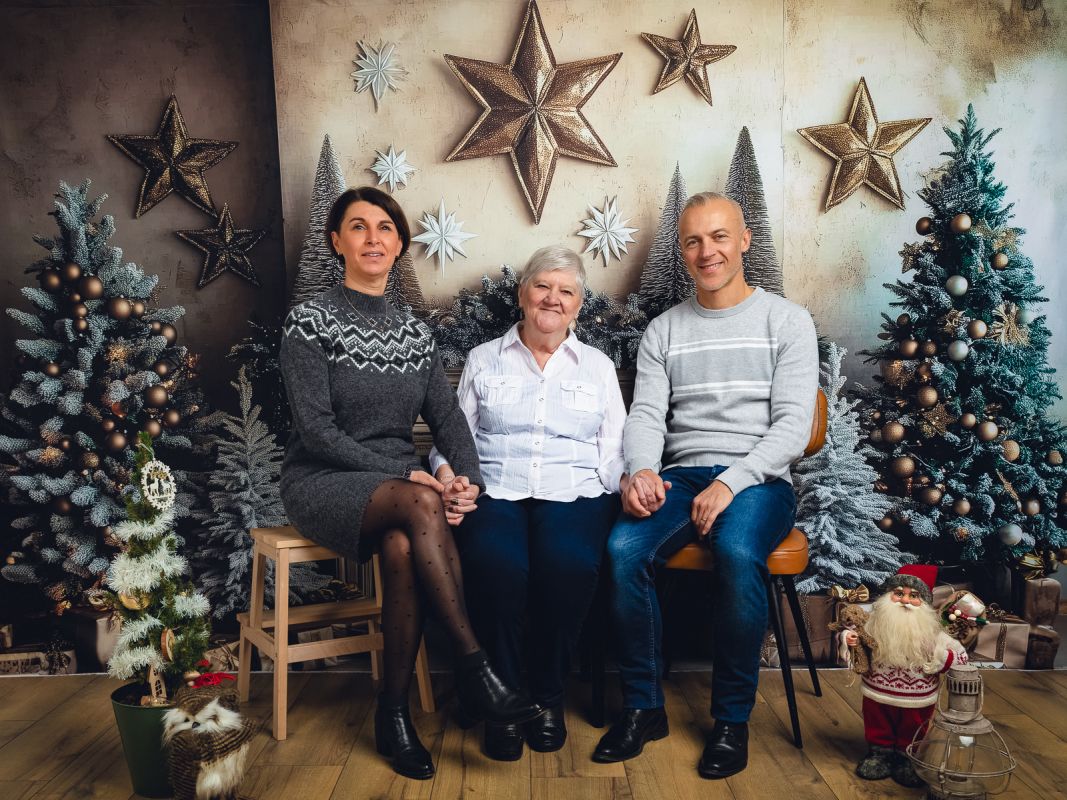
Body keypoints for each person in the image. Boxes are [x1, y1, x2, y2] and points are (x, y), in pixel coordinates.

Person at [279, 186, 541, 780]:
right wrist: (405, 473)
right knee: (421, 500)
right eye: (359, 227)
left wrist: (468, 481)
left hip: (400, 495)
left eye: (385, 228)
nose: (373, 238)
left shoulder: (415, 332)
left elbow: (447, 419)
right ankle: (476, 668)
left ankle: (392, 715)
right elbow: (316, 432)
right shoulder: (310, 321)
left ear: (399, 245)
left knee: (402, 544)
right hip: (323, 478)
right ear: (337, 242)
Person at [593, 192, 819, 779]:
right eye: (693, 240)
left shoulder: (787, 321)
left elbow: (792, 428)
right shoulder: (664, 330)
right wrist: (643, 470)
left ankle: (730, 720)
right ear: (682, 250)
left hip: (759, 477)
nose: (707, 251)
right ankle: (643, 708)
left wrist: (732, 482)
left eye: (719, 236)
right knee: (622, 549)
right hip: (681, 473)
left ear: (743, 241)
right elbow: (646, 415)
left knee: (738, 550)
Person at [430, 246, 625, 761]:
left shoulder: (598, 367)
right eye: (542, 286)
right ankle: (505, 699)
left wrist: (628, 486)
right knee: (497, 565)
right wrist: (449, 476)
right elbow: (452, 439)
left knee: (569, 564)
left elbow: (613, 452)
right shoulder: (483, 359)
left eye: (566, 291)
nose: (552, 299)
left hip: (574, 491)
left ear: (578, 303)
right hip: (496, 488)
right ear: (522, 293)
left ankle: (546, 696)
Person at [845, 565, 967, 787]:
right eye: (899, 593)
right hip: (877, 691)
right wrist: (849, 640)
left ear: (925, 602)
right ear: (888, 595)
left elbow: (961, 658)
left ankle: (907, 756)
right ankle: (879, 753)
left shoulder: (933, 632)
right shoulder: (874, 621)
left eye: (914, 596)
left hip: (917, 697)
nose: (905, 600)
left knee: (914, 725)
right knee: (877, 720)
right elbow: (853, 633)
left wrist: (940, 656)